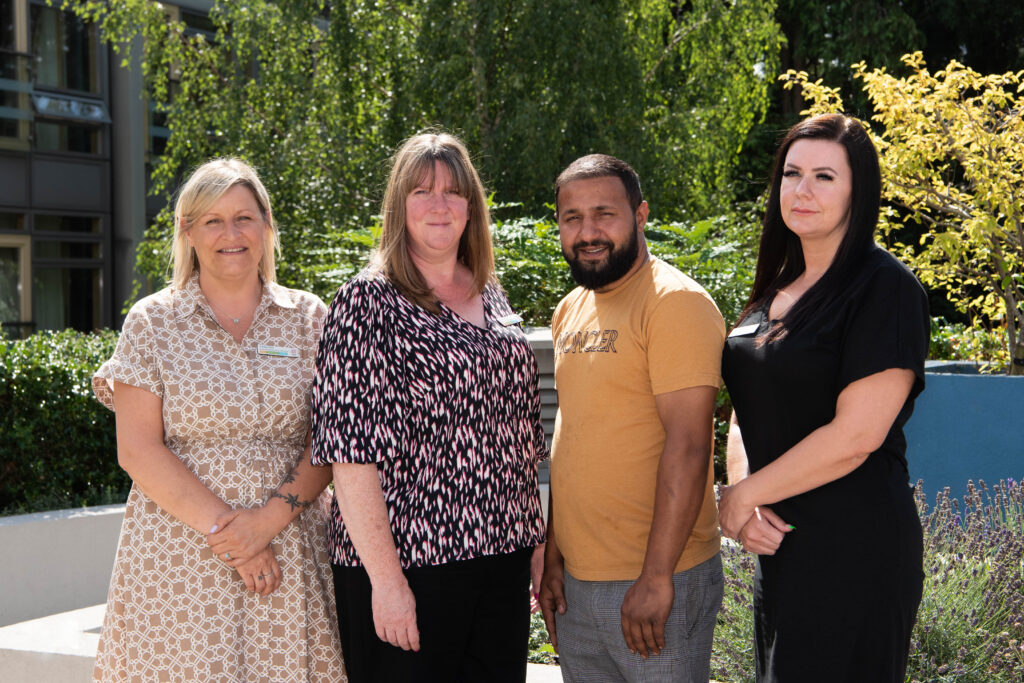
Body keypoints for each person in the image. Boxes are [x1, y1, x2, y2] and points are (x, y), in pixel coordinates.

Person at [91, 158, 345, 682]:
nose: (231, 234)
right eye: (212, 220)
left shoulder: (311, 317)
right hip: (179, 557)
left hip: (290, 551)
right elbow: (137, 450)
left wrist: (266, 524)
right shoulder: (152, 322)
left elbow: (334, 438)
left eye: (244, 218)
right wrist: (232, 537)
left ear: (267, 225)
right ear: (187, 231)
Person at [310, 132, 547, 683]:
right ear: (400, 206)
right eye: (422, 191)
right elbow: (348, 456)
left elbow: (517, 435)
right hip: (410, 565)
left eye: (452, 191)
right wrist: (387, 584)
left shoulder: (492, 293)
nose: (439, 205)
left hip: (500, 560)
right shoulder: (366, 302)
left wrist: (534, 542)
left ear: (471, 206)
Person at [719, 113, 929, 682]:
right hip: (781, 544)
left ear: (859, 191)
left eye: (824, 176)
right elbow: (746, 408)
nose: (802, 190)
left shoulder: (884, 288)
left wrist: (742, 498)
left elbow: (857, 437)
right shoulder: (776, 287)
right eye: (792, 173)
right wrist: (748, 496)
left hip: (853, 548)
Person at [539, 154, 726, 682]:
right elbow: (570, 440)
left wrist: (657, 576)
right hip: (577, 581)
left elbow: (690, 447)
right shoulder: (570, 308)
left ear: (641, 215)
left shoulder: (674, 303)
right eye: (572, 218)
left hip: (657, 578)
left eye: (605, 214)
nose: (588, 231)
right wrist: (555, 556)